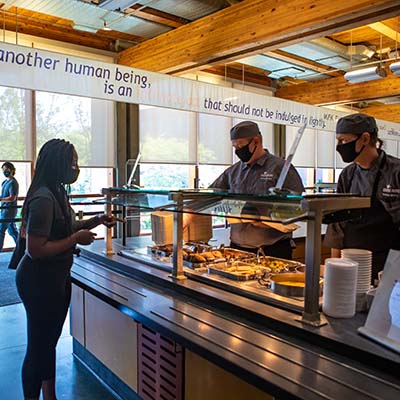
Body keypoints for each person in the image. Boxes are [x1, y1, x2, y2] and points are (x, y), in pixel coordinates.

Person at [15, 139, 116, 400]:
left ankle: (50, 396)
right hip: (38, 281)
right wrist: (75, 240)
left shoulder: (57, 192)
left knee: (47, 343)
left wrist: (97, 220)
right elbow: (35, 249)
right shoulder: (43, 198)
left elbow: (65, 226)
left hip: (55, 278)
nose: (76, 168)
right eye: (73, 163)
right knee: (38, 347)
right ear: (59, 164)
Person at [210, 121, 304, 259]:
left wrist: (267, 220)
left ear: (256, 141)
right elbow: (209, 196)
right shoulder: (233, 172)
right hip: (237, 251)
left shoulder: (281, 168)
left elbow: (298, 207)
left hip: (272, 251)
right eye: (234, 146)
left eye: (241, 145)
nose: (238, 150)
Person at [324, 113, 400, 281]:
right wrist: (334, 269)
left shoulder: (396, 172)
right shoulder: (347, 174)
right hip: (351, 263)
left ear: (365, 138)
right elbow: (337, 225)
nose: (338, 146)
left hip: (390, 265)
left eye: (343, 140)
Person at [0, 161, 19, 250]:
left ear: (11, 170)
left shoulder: (13, 183)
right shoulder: (4, 182)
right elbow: (4, 195)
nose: (5, 171)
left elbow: (12, 198)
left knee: (1, 230)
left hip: (9, 210)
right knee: (12, 231)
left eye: (6, 169)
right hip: (4, 209)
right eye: (3, 170)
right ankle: (21, 248)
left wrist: (1, 199)